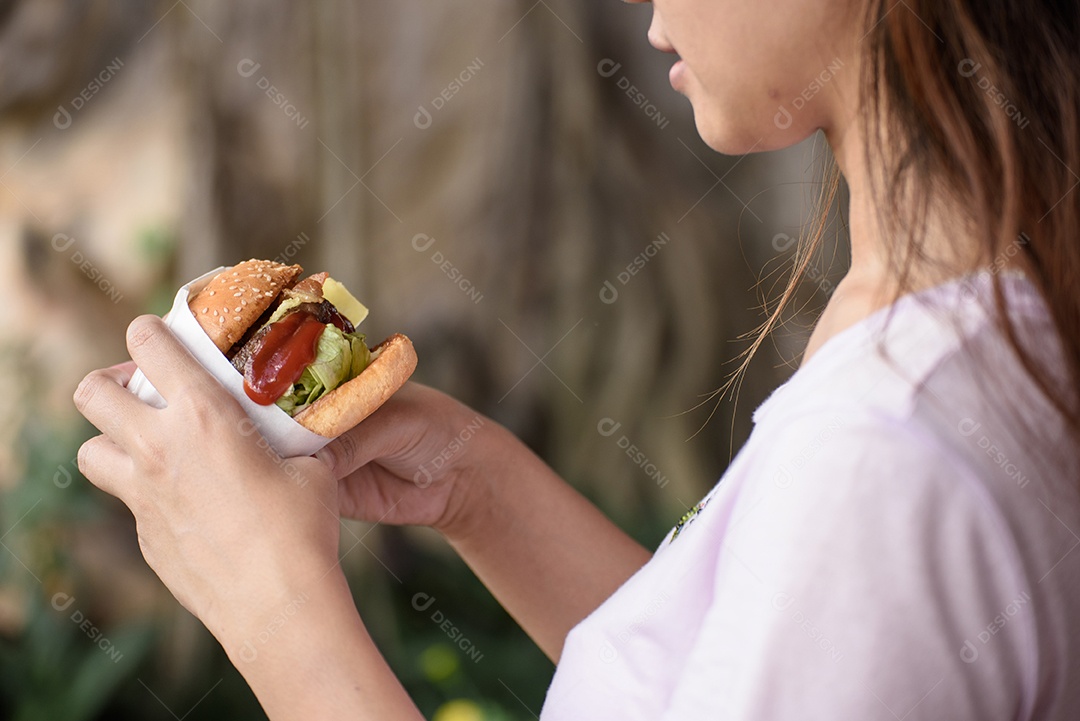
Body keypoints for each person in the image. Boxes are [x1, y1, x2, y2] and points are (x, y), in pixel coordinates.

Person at [74, 0, 1080, 718]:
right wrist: (478, 489)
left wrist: (269, 607)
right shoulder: (968, 322)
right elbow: (732, 673)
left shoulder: (888, 447)